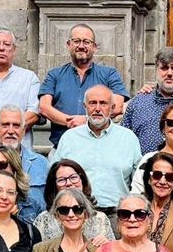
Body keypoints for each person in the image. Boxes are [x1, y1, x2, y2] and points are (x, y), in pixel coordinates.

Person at [51, 85, 142, 220]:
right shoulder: (69, 138)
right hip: (77, 215)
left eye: (103, 103)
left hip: (117, 216)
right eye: (93, 103)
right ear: (85, 106)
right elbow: (54, 178)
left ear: (112, 108)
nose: (98, 109)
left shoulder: (128, 138)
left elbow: (138, 181)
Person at [39, 23, 129, 148]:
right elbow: (44, 107)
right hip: (63, 148)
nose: (81, 46)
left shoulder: (109, 74)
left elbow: (118, 106)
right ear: (68, 45)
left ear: (94, 46)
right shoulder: (54, 75)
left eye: (86, 42)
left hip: (99, 146)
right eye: (76, 41)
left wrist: (86, 120)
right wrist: (73, 122)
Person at [33, 160, 115, 243]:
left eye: (73, 177)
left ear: (82, 180)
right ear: (54, 186)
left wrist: (107, 245)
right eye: (61, 180)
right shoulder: (43, 220)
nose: (68, 183)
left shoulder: (100, 219)